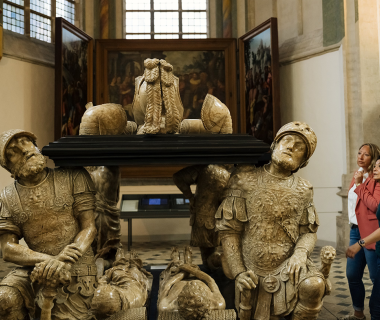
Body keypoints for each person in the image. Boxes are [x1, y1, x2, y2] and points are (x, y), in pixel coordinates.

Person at [215, 121, 328, 320]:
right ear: (274, 145)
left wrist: (300, 255)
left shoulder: (304, 189)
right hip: (252, 267)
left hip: (289, 266)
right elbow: (229, 231)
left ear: (303, 161)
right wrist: (239, 272)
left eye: (300, 147)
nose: (292, 147)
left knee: (314, 286)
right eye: (287, 140)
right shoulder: (243, 181)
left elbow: (308, 232)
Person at [0, 129, 97, 320]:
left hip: (75, 266)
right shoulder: (7, 197)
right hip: (35, 268)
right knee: (4, 300)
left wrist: (64, 259)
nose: (25, 150)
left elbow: (89, 227)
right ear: (9, 167)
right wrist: (48, 260)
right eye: (13, 151)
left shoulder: (73, 177)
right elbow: (7, 249)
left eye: (26, 142)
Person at [342, 143, 380, 320]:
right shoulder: (358, 173)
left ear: (373, 158)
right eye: (359, 153)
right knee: (352, 274)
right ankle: (358, 313)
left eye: (366, 155)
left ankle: (376, 312)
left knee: (375, 277)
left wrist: (359, 185)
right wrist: (358, 182)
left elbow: (374, 205)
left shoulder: (376, 177)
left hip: (371, 232)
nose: (360, 157)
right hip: (355, 231)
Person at [157, 246, 225, 319]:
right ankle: (188, 262)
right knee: (193, 272)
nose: (191, 283)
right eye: (198, 288)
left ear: (180, 300)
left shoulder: (166, 306)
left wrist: (183, 272)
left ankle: (176, 261)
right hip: (197, 277)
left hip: (178, 279)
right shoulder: (217, 303)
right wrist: (190, 269)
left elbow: (167, 285)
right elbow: (209, 280)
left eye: (188, 288)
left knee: (173, 270)